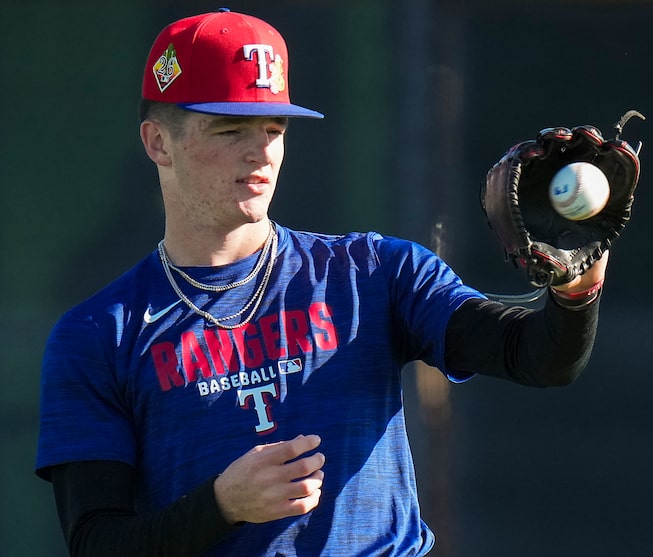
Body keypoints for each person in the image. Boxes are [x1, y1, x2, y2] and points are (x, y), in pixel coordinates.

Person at [36, 8, 609, 557]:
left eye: (273, 128)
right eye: (229, 129)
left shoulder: (375, 273)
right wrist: (221, 505)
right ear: (158, 142)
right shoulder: (97, 336)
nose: (260, 152)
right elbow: (98, 544)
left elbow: (538, 357)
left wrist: (575, 287)